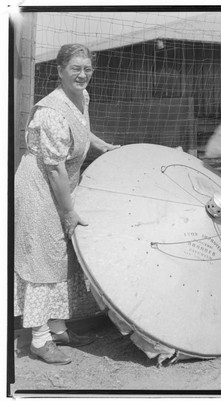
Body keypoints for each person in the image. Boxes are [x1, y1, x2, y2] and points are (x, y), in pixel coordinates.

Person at [14, 44, 120, 364]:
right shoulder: (50, 112)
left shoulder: (81, 97)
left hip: (59, 185)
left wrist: (104, 147)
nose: (83, 74)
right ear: (59, 70)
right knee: (43, 261)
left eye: (88, 68)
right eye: (75, 68)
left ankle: (58, 330)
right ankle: (39, 340)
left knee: (62, 257)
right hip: (39, 187)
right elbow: (56, 168)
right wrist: (69, 210)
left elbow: (83, 131)